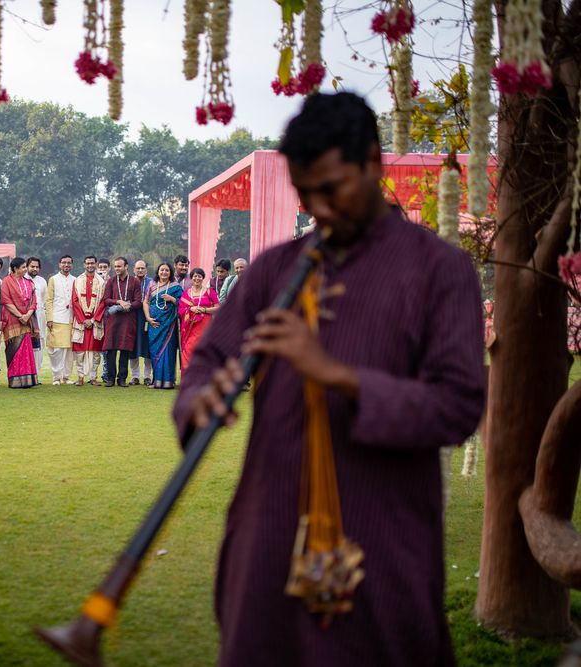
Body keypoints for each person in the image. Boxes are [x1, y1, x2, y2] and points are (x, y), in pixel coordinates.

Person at [173, 92, 485, 667]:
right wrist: (198, 401)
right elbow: (208, 361)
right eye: (304, 192)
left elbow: (459, 405)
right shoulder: (274, 269)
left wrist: (336, 374)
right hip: (267, 529)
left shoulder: (440, 270)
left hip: (382, 538)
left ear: (371, 163)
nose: (318, 208)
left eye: (332, 188)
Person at [101, 256, 143, 387]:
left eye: (119, 266)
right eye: (115, 266)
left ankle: (122, 379)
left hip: (128, 320)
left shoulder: (134, 281)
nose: (117, 269)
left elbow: (138, 301)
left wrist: (128, 306)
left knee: (125, 349)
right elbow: (106, 300)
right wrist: (119, 302)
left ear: (126, 267)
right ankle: (110, 378)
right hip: (113, 320)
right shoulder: (111, 281)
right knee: (111, 349)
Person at [0, 257, 39, 389]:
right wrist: (20, 315)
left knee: (26, 350)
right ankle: (16, 381)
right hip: (12, 321)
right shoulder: (6, 281)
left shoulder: (29, 282)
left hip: (26, 321)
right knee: (14, 350)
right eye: (23, 267)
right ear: (15, 269)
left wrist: (27, 315)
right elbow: (6, 301)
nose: (25, 269)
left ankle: (28, 380)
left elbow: (34, 301)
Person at [144, 262, 183, 389]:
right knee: (155, 352)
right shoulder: (151, 284)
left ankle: (168, 381)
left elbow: (183, 303)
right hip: (154, 323)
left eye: (167, 270)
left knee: (168, 351)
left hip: (169, 324)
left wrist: (172, 299)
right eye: (162, 270)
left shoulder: (175, 286)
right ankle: (157, 381)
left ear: (170, 272)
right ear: (158, 272)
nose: (164, 272)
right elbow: (146, 302)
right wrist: (148, 318)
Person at [178, 268, 220, 373]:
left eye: (199, 276)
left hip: (205, 327)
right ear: (191, 278)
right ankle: (189, 379)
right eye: (195, 276)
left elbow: (218, 307)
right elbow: (180, 310)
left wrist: (204, 309)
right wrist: (190, 309)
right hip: (189, 328)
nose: (197, 278)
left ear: (203, 278)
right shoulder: (186, 293)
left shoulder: (210, 292)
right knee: (188, 349)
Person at [72, 255, 105, 385]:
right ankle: (80, 377)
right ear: (84, 265)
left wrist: (92, 320)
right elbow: (74, 301)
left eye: (92, 263)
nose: (90, 265)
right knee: (80, 351)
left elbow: (103, 302)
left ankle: (93, 377)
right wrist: (83, 319)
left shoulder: (101, 281)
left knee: (95, 351)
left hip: (95, 322)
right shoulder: (78, 280)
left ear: (96, 264)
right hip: (80, 322)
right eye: (87, 263)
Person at [46, 254, 76, 385]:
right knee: (57, 350)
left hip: (72, 319)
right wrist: (49, 318)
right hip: (57, 318)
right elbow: (49, 300)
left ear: (72, 265)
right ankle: (56, 377)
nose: (66, 265)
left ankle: (66, 377)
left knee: (69, 350)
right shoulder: (53, 279)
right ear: (59, 264)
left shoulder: (76, 280)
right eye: (64, 262)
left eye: (69, 263)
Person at [129, 259, 154, 385]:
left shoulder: (152, 283)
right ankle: (135, 376)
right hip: (132, 318)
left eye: (142, 268)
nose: (140, 270)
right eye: (138, 268)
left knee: (148, 348)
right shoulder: (129, 281)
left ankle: (147, 376)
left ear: (146, 269)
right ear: (133, 269)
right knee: (132, 348)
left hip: (147, 318)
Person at [27, 257, 48, 379]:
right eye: (32, 266)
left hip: (39, 317)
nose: (34, 269)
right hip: (25, 318)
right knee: (26, 345)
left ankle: (36, 375)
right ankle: (27, 374)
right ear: (27, 266)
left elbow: (45, 301)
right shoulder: (22, 279)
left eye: (37, 267)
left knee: (39, 346)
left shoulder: (42, 281)